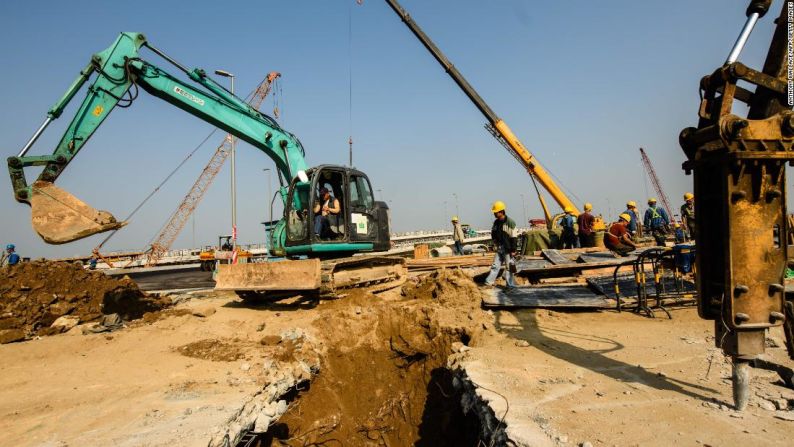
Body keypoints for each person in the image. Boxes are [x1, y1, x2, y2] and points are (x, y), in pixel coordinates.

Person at [484, 200, 518, 288]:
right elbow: (493, 232)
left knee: (509, 267)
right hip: (500, 247)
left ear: (501, 211)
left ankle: (510, 285)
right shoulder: (496, 222)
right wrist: (495, 241)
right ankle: (488, 283)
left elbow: (514, 237)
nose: (494, 214)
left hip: (508, 249)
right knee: (495, 266)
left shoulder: (510, 222)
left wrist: (513, 250)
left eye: (496, 212)